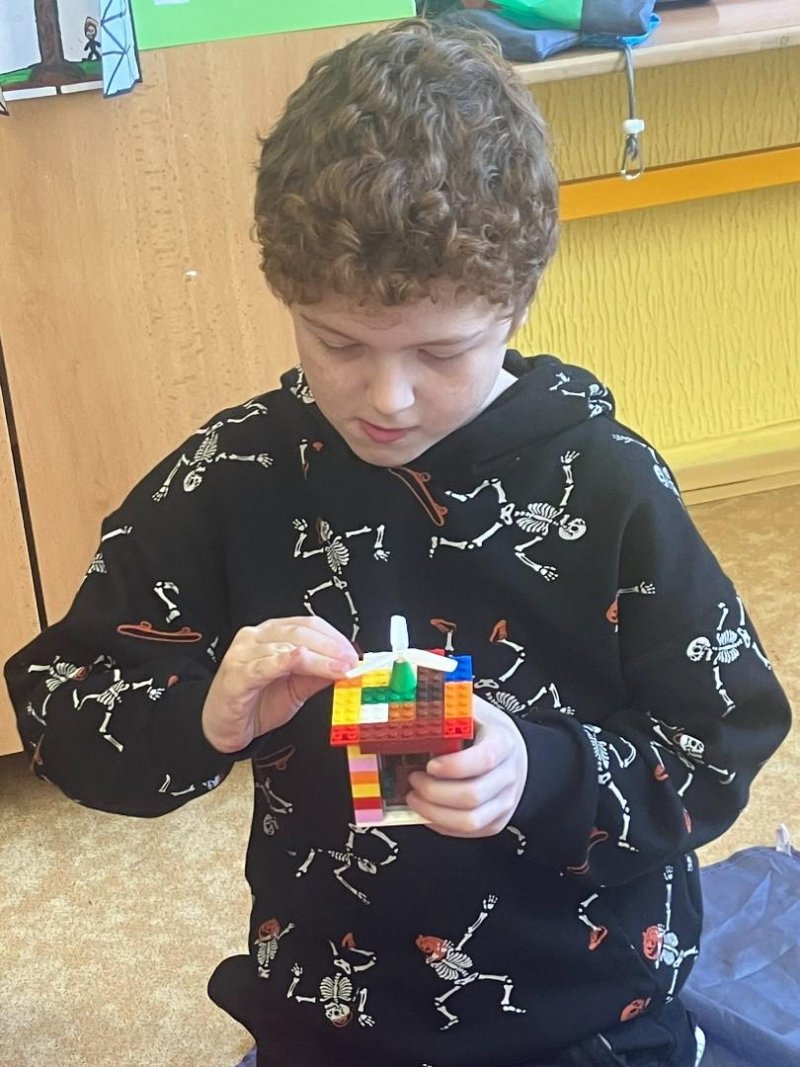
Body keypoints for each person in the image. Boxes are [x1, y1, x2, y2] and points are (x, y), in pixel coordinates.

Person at [4, 19, 790, 1067]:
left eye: (440, 351)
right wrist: (204, 714)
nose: (386, 398)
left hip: (588, 1005)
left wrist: (541, 771)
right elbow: (61, 701)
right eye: (336, 342)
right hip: (328, 1007)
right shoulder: (236, 473)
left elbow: (719, 738)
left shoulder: (607, 483)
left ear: (517, 303)